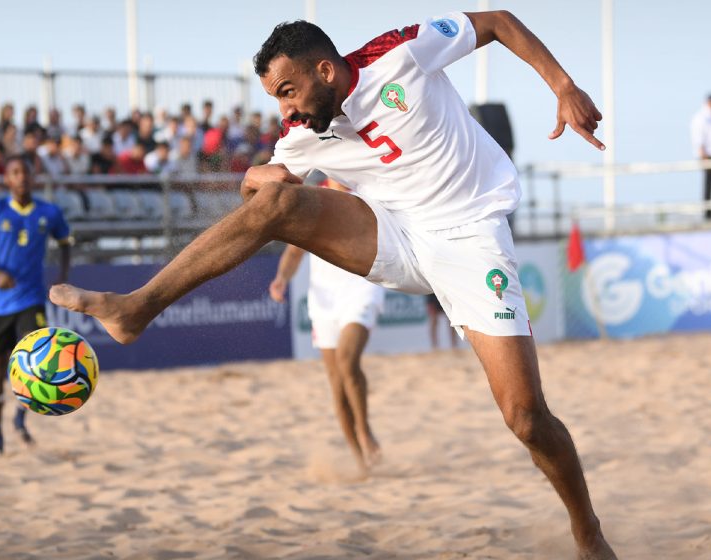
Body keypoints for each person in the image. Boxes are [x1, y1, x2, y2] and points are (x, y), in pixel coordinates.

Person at [49, 11, 615, 558]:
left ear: (325, 70)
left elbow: (496, 21)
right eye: (276, 97)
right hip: (392, 234)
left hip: (470, 235)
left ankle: (585, 529)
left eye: (288, 90)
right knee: (280, 200)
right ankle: (136, 308)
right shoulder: (302, 130)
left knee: (525, 417)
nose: (284, 107)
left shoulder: (400, 54)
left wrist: (562, 86)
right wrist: (252, 176)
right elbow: (265, 196)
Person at [0, 156, 72, 455]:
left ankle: (21, 417)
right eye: (15, 173)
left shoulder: (49, 212)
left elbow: (66, 244)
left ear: (34, 177)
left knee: (36, 364)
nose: (21, 178)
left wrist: (61, 278)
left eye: (26, 172)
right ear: (7, 179)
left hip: (31, 300)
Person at [269, 178, 384, 474]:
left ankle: (365, 429)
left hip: (361, 287)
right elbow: (294, 253)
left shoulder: (368, 192)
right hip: (324, 298)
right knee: (336, 382)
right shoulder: (313, 198)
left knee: (347, 360)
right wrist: (282, 278)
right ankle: (361, 461)